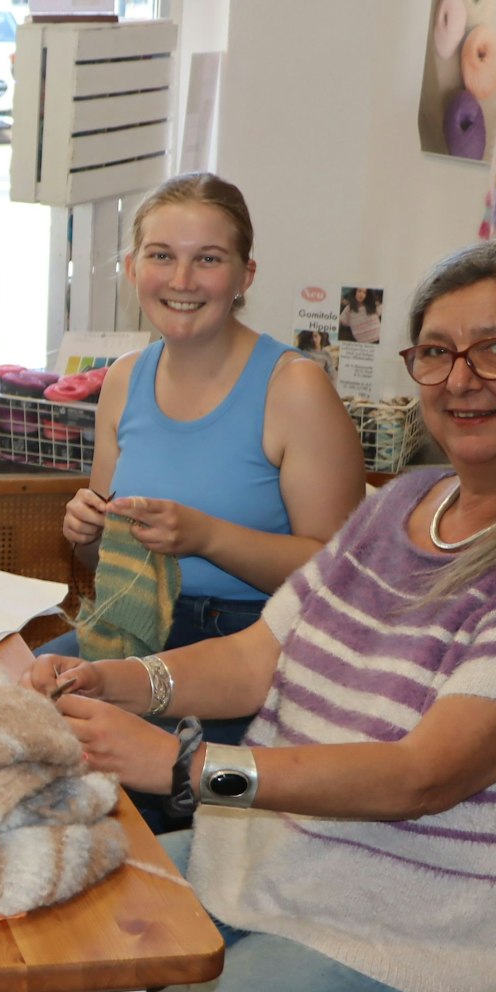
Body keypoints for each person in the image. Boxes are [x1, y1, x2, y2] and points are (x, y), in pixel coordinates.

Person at [28, 238, 496, 992]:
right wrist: (122, 683)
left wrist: (189, 766)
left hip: (422, 943)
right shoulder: (406, 501)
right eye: (437, 353)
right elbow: (254, 656)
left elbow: (420, 779)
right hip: (279, 867)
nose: (462, 379)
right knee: (30, 956)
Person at [46, 173, 365, 745]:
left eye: (209, 259)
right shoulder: (122, 381)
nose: (182, 280)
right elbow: (103, 559)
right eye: (161, 256)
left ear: (245, 276)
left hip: (251, 651)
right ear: (132, 268)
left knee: (93, 771)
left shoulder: (295, 389)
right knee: (8, 710)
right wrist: (87, 532)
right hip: (133, 626)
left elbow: (339, 579)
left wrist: (205, 536)